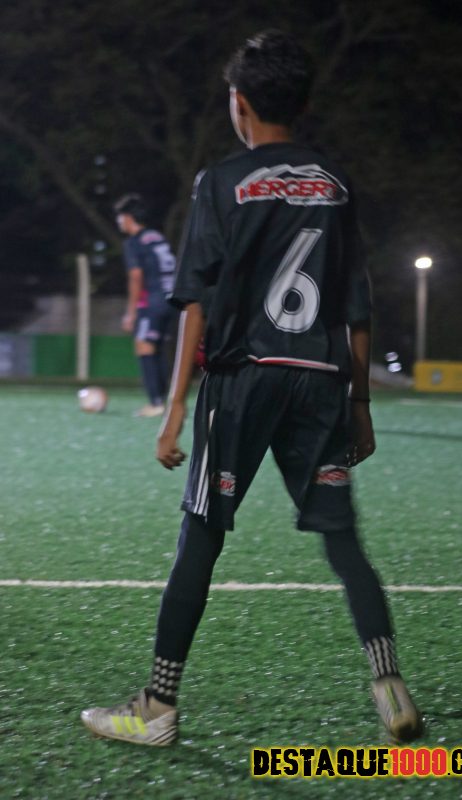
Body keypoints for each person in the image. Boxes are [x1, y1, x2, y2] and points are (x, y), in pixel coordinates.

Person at [82, 30, 423, 747]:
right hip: (320, 383)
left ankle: (157, 706)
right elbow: (356, 302)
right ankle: (388, 680)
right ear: (302, 104)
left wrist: (174, 408)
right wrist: (359, 404)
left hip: (243, 382)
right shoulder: (335, 182)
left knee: (201, 537)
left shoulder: (221, 182)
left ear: (239, 103)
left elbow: (195, 303)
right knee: (343, 543)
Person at [114, 193, 176, 417]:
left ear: (129, 217)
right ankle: (166, 401)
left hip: (152, 301)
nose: (118, 221)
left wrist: (131, 313)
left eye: (120, 216)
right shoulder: (157, 237)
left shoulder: (134, 242)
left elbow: (136, 276)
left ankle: (155, 403)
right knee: (159, 349)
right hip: (171, 299)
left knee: (144, 346)